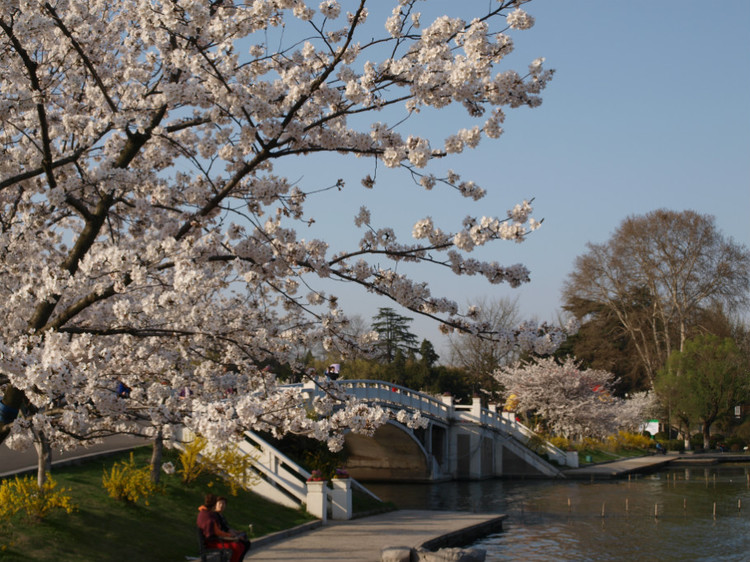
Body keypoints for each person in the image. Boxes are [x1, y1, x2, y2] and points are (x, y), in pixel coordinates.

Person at [196, 493, 247, 562]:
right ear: (214, 505)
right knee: (237, 546)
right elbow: (218, 532)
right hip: (211, 542)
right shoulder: (210, 516)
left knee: (240, 545)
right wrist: (231, 537)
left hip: (210, 540)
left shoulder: (204, 513)